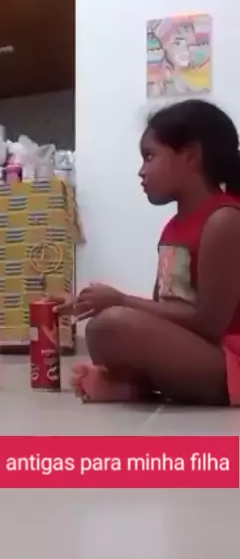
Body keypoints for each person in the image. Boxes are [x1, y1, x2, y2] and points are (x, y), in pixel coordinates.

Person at [53, 99, 240, 405]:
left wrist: (122, 301)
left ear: (191, 156)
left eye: (150, 156)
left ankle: (137, 387)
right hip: (196, 350)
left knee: (114, 323)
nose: (141, 171)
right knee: (102, 327)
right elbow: (163, 307)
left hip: (227, 360)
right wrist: (89, 302)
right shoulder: (173, 227)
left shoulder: (224, 220)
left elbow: (210, 322)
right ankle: (136, 387)